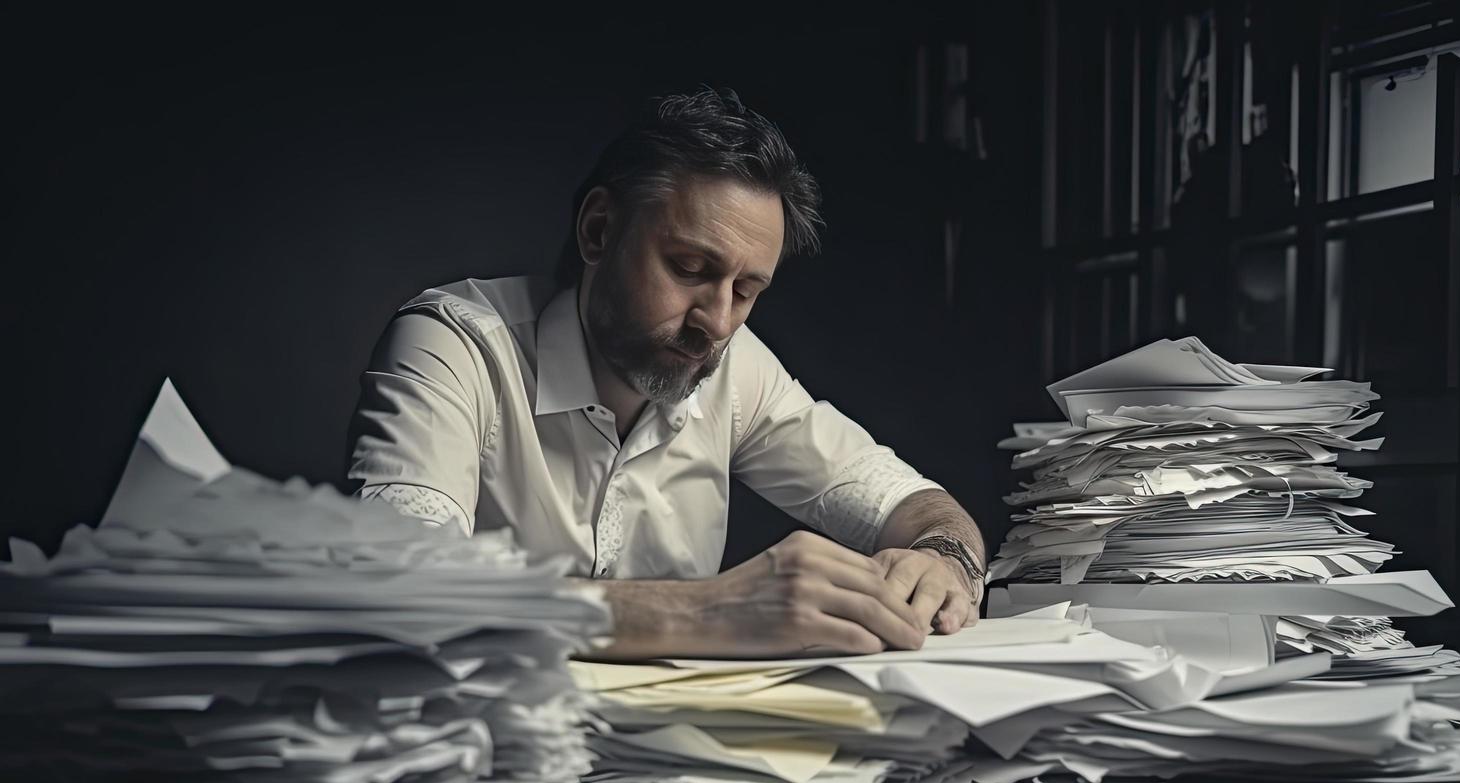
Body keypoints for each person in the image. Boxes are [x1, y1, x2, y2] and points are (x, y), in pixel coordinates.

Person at [346, 86, 987, 660]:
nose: (716, 321)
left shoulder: (734, 367)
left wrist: (944, 559)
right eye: (689, 269)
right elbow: (405, 587)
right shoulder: (455, 345)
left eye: (746, 289)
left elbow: (918, 505)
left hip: (668, 772)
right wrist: (708, 611)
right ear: (599, 232)